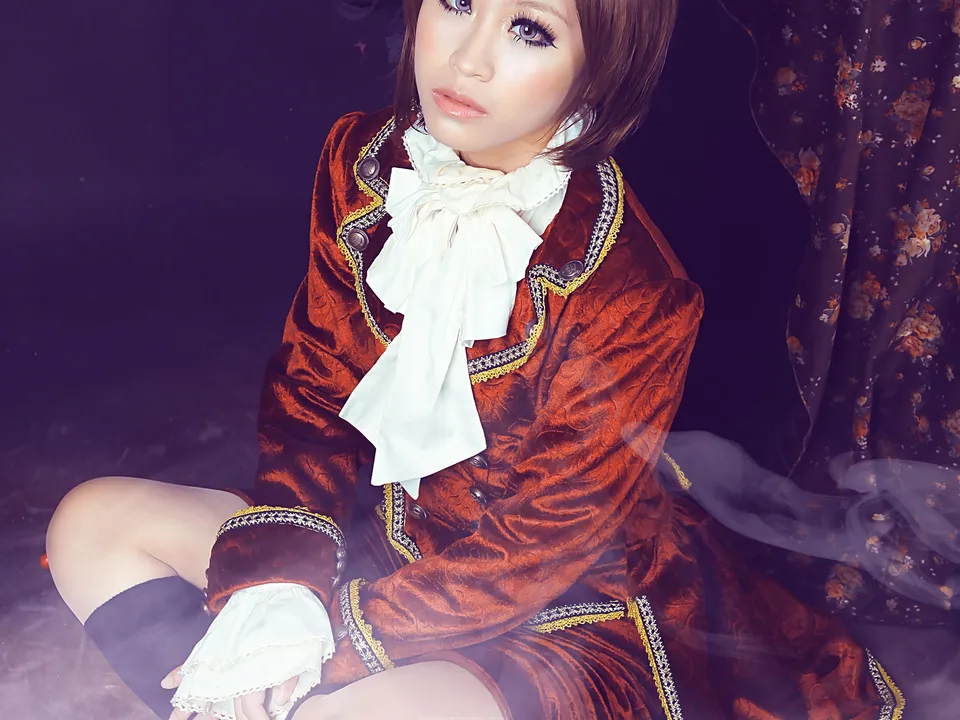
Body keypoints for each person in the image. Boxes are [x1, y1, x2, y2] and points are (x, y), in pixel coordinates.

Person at [45, 0, 902, 718]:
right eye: (457, 0)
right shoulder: (362, 164)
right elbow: (314, 394)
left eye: (530, 29)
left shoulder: (638, 292)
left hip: (561, 615)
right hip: (386, 548)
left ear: (600, 67)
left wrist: (332, 639)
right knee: (91, 524)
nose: (468, 58)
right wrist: (273, 590)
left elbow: (544, 543)